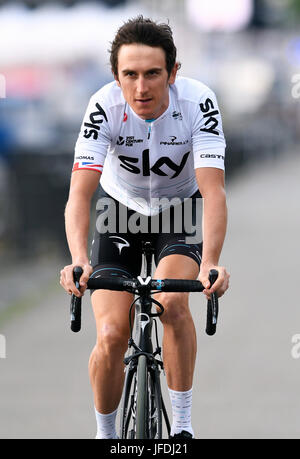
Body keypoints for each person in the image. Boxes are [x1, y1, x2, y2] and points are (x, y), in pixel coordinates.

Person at [60, 15, 230, 439]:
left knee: (172, 304)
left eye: (153, 73)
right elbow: (79, 194)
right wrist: (79, 259)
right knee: (114, 332)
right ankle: (106, 433)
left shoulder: (198, 103)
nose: (141, 88)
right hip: (119, 210)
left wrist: (211, 261)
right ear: (116, 77)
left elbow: (213, 192)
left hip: (179, 209)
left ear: (173, 73)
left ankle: (183, 428)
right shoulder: (103, 107)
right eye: (129, 75)